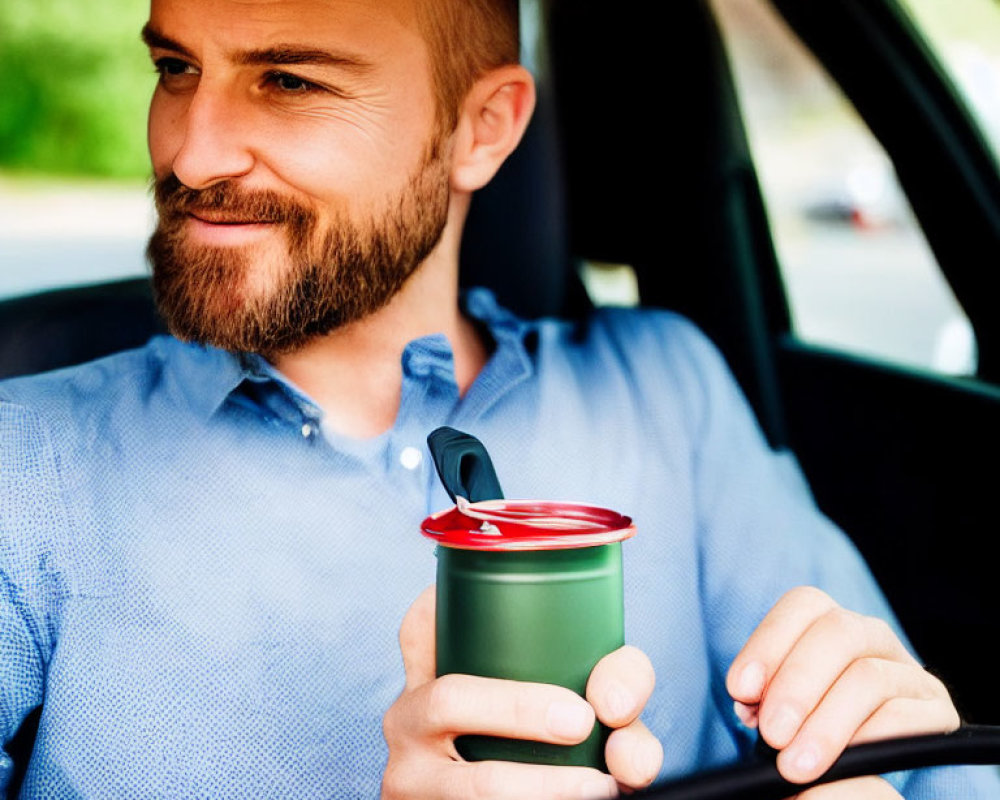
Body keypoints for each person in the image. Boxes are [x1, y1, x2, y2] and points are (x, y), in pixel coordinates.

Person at [0, 0, 995, 797]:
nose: (189, 151)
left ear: (482, 129)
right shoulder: (28, 459)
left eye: (289, 81)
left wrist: (880, 758)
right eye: (176, 68)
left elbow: (923, 768)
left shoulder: (670, 388)